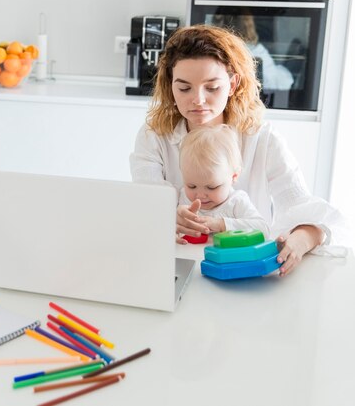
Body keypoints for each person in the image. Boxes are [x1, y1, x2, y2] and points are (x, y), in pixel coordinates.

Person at [129, 24, 349, 277]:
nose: (198, 100)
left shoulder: (262, 138)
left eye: (212, 87)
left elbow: (303, 207)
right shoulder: (154, 135)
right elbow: (146, 202)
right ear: (170, 86)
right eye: (184, 88)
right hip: (175, 269)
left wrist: (303, 237)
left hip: (245, 272)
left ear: (232, 85)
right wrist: (166, 215)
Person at [177, 124, 269, 241]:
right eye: (191, 186)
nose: (199, 195)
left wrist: (221, 224)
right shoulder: (183, 198)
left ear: (234, 176)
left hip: (229, 259)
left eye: (211, 187)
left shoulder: (236, 202)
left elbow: (263, 230)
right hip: (191, 257)